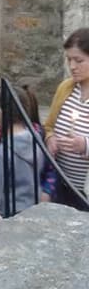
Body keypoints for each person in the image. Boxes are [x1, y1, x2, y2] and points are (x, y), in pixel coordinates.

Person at [44, 28, 89, 210]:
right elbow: (48, 126)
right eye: (69, 59)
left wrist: (85, 145)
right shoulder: (65, 88)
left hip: (84, 192)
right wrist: (50, 138)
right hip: (57, 183)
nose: (72, 66)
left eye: (79, 60)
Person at [0, 84, 45, 216]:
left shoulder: (1, 154)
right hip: (34, 211)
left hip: (9, 216)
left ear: (0, 112)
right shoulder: (36, 139)